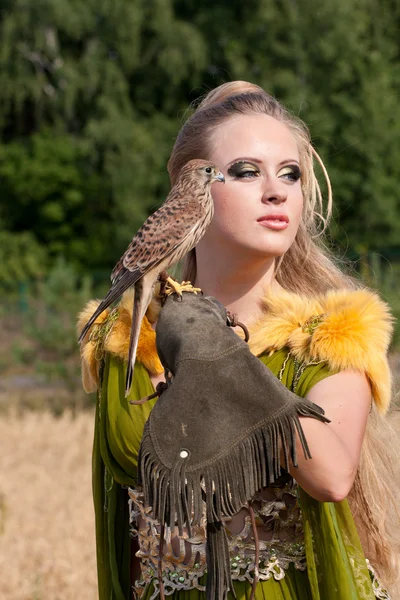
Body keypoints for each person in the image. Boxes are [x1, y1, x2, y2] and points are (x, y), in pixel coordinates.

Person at [78, 81, 400, 599]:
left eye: (290, 174)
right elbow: (121, 538)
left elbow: (332, 475)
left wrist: (220, 355)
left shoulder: (328, 338)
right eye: (247, 172)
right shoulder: (128, 342)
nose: (276, 190)